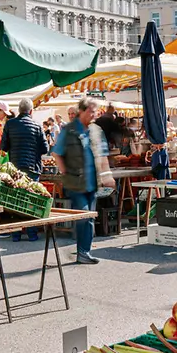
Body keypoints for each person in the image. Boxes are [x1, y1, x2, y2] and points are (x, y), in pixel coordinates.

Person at [51, 97, 114, 264]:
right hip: (75, 181)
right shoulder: (69, 130)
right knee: (84, 215)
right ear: (82, 111)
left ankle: (84, 251)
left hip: (92, 182)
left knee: (90, 217)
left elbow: (102, 154)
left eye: (95, 111)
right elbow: (56, 152)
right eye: (91, 111)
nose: (94, 114)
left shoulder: (96, 130)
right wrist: (65, 171)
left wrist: (107, 175)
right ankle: (82, 252)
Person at [1, 99, 49, 241]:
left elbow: (3, 146)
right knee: (31, 201)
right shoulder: (37, 125)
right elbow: (45, 148)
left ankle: (16, 234)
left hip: (15, 169)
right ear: (31, 111)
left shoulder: (10, 124)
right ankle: (32, 233)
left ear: (19, 110)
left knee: (15, 200)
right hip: (32, 167)